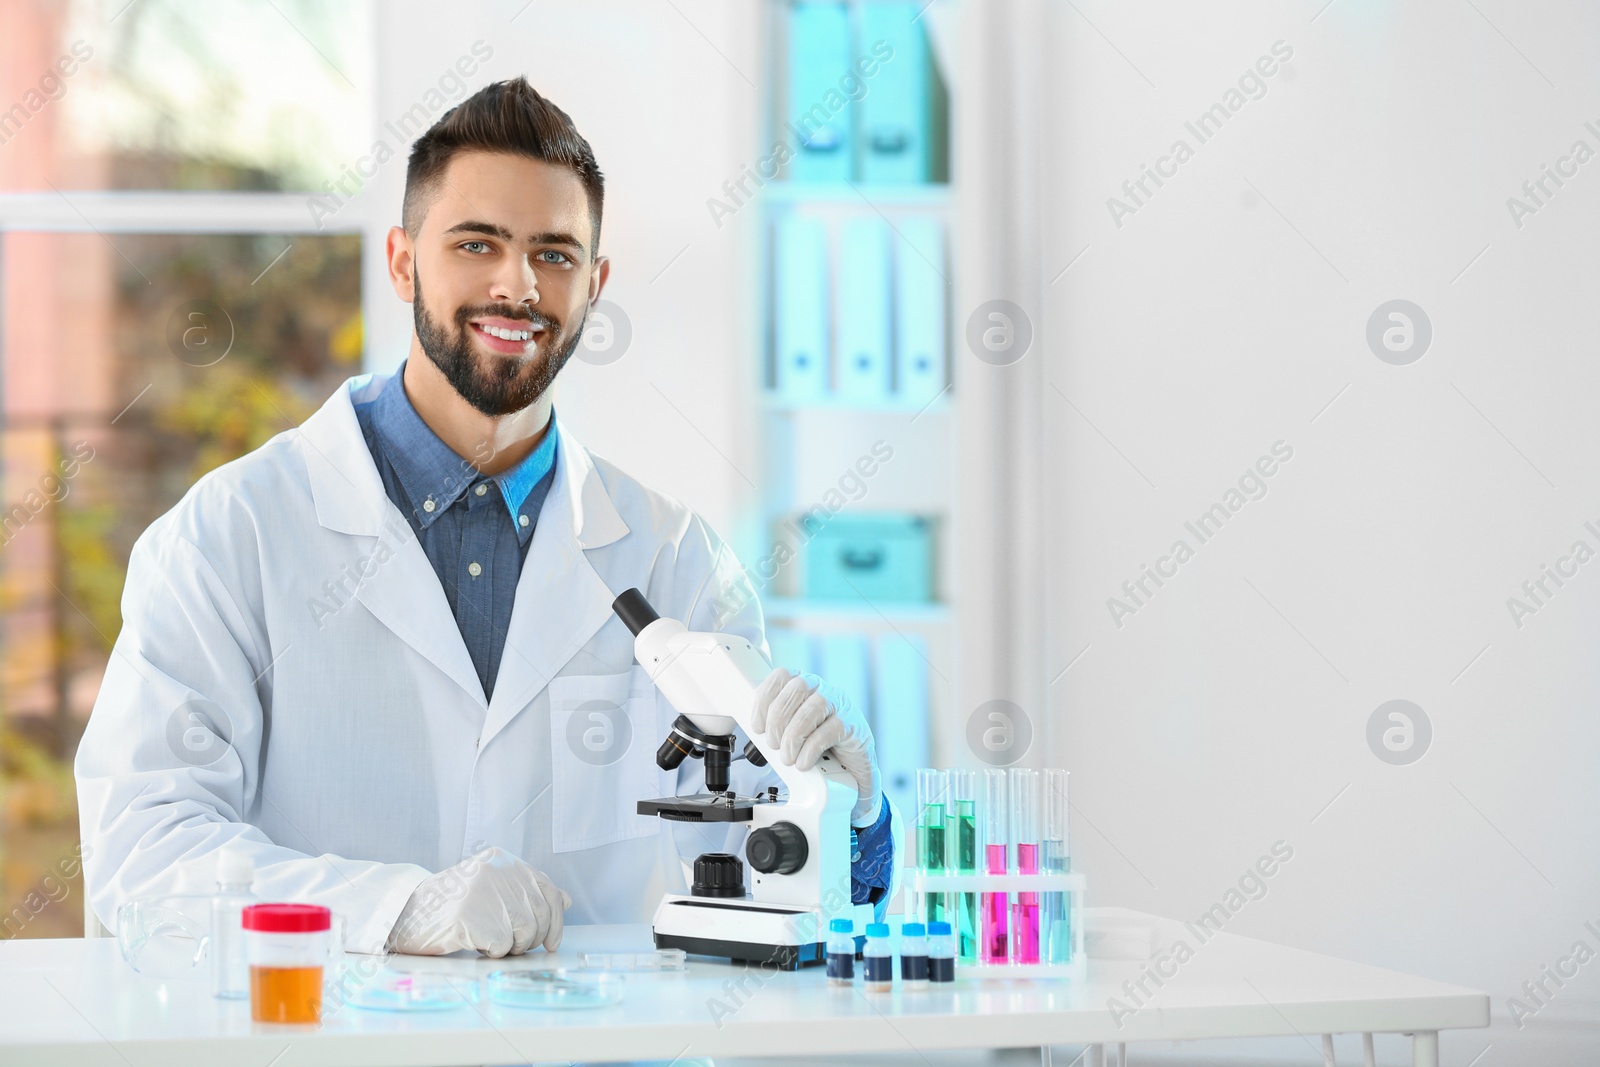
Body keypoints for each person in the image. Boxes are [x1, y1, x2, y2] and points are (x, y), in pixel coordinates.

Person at [74, 77, 900, 959]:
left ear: (595, 283)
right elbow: (144, 850)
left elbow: (757, 879)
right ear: (401, 261)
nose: (519, 286)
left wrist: (854, 813)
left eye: (555, 253)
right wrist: (396, 910)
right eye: (477, 243)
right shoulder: (231, 535)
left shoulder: (677, 558)